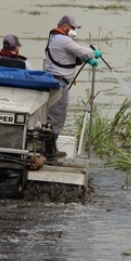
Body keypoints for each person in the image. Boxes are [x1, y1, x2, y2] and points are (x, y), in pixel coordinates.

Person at [43, 15, 102, 160]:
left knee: (52, 116)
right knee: (57, 117)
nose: (74, 30)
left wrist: (84, 60)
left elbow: (68, 57)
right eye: (73, 27)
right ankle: (48, 152)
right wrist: (93, 54)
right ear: (64, 26)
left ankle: (50, 149)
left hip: (56, 82)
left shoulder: (55, 38)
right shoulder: (62, 39)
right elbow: (81, 50)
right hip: (58, 83)